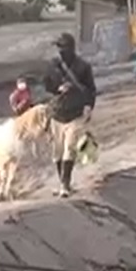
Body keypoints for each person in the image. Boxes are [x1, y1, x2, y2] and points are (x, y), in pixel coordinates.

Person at [42, 33, 96, 198]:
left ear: (70, 48)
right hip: (57, 113)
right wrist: (57, 88)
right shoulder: (53, 65)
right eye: (58, 47)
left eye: (62, 47)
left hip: (75, 113)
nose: (60, 50)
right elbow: (46, 84)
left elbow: (91, 89)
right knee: (57, 152)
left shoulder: (83, 67)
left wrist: (89, 106)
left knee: (70, 148)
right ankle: (62, 182)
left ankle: (65, 184)